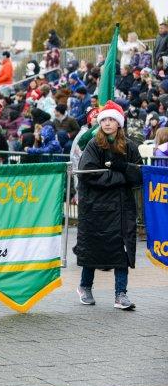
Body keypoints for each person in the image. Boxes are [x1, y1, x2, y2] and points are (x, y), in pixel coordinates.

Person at [73, 101, 142, 310]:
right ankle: (85, 286)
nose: (108, 123)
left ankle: (121, 294)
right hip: (96, 207)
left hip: (122, 208)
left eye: (112, 119)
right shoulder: (94, 144)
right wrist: (120, 176)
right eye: (104, 120)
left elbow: (138, 174)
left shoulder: (129, 145)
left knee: (122, 252)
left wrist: (124, 169)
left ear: (119, 123)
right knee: (93, 248)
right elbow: (89, 174)